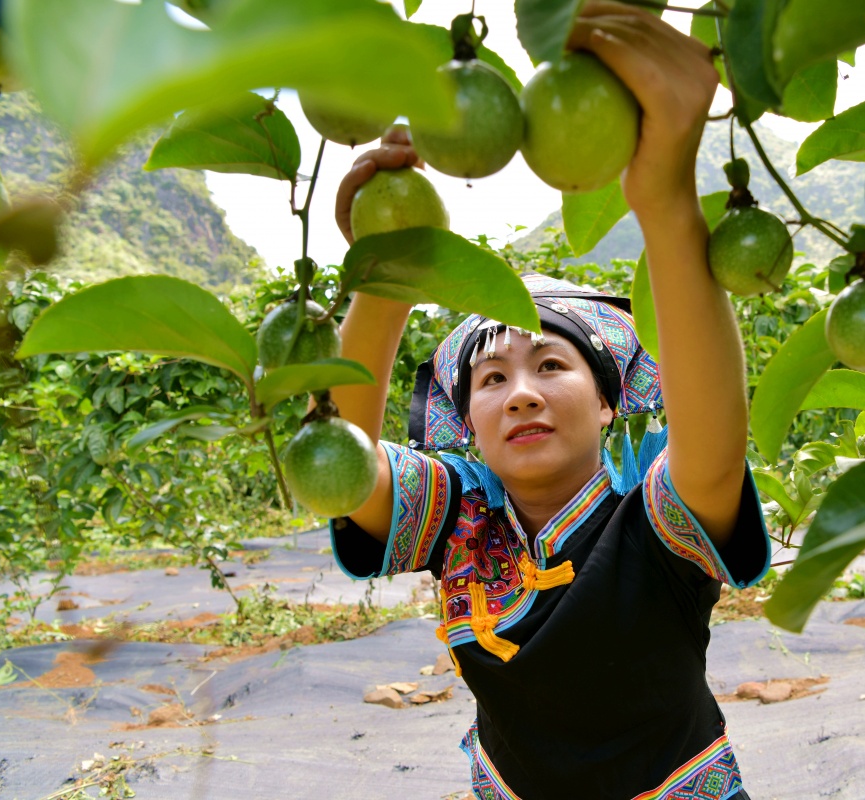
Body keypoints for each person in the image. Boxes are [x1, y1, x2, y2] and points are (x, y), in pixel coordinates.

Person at [328, 3, 770, 797]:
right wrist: (385, 273)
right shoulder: (458, 519)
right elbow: (337, 458)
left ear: (608, 404)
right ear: (468, 425)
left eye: (552, 367)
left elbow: (714, 432)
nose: (521, 394)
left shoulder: (657, 529)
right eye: (492, 380)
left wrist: (665, 196)